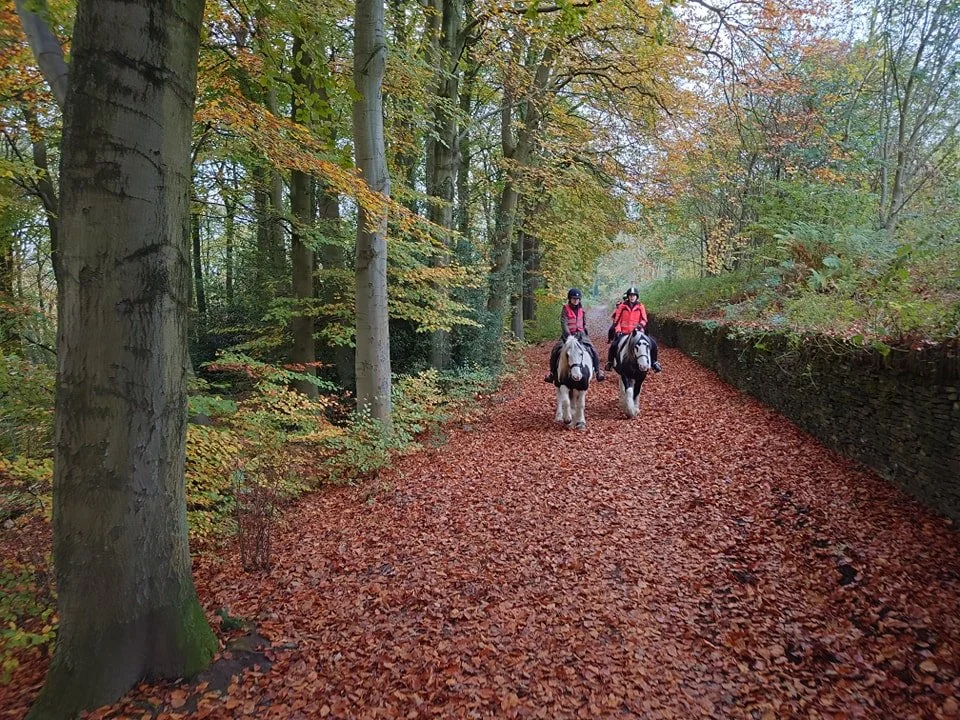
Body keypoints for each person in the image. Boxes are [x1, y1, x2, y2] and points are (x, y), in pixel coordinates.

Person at [544, 288, 605, 383]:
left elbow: (583, 322)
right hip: (568, 335)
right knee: (556, 350)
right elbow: (564, 323)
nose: (575, 300)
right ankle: (552, 373)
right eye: (573, 298)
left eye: (577, 299)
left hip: (581, 335)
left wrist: (585, 332)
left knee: (593, 350)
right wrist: (567, 334)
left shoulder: (582, 309)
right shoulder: (565, 308)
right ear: (570, 299)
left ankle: (598, 371)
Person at [606, 286, 662, 372]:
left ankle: (654, 362)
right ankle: (610, 362)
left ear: (636, 296)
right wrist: (618, 330)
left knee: (653, 343)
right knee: (614, 345)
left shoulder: (640, 306)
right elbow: (617, 321)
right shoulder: (622, 306)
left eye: (634, 295)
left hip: (638, 333)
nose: (632, 297)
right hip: (624, 332)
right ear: (628, 297)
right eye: (630, 295)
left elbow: (644, 319)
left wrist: (640, 325)